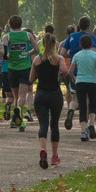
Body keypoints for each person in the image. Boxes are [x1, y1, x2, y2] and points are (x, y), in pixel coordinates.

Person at [30, 33, 66, 167]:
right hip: (55, 94)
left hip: (40, 94)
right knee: (54, 124)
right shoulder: (59, 58)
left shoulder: (36, 60)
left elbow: (30, 79)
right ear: (54, 44)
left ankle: (42, 149)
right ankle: (54, 156)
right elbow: (64, 72)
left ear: (43, 44)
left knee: (43, 124)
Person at [3, 15, 37, 130]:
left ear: (9, 25)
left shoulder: (7, 36)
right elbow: (36, 49)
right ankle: (18, 114)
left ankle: (16, 119)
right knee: (22, 95)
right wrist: (28, 53)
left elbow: (3, 53)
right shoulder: (28, 35)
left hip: (12, 68)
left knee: (15, 96)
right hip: (25, 67)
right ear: (21, 24)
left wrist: (8, 57)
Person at [69, 34, 96, 142]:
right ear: (91, 44)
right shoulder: (95, 55)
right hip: (93, 81)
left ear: (80, 44)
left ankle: (83, 132)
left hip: (80, 82)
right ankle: (92, 124)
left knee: (82, 107)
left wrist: (74, 78)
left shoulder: (77, 55)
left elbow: (69, 71)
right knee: (92, 105)